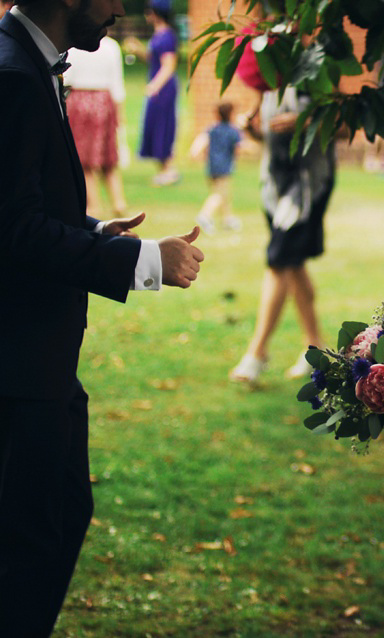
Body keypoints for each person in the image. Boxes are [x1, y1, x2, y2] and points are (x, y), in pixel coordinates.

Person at [0, 1, 205, 634]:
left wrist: (96, 234)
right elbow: (12, 230)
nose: (122, 8)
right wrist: (139, 259)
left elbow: (24, 202)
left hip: (43, 363)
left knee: (62, 511)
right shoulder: (13, 77)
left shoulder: (30, 65)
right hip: (18, 366)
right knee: (28, 551)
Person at [228, 88, 334, 383]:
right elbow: (269, 133)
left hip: (308, 181)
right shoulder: (269, 75)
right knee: (293, 262)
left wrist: (306, 122)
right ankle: (316, 347)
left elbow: (346, 125)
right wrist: (254, 129)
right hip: (274, 182)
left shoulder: (320, 67)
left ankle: (257, 352)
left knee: (279, 259)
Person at [62, 33, 127, 218]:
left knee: (84, 159)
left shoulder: (73, 48)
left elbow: (67, 78)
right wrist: (119, 113)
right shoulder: (112, 46)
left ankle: (94, 205)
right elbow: (117, 83)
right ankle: (118, 201)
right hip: (105, 101)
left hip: (80, 101)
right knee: (109, 156)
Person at [127, 0, 179, 186]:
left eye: (149, 11)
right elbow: (153, 59)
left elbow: (169, 65)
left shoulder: (166, 36)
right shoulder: (159, 34)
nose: (147, 15)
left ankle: (169, 170)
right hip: (158, 87)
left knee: (163, 126)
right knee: (155, 125)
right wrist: (139, 50)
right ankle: (163, 170)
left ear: (156, 13)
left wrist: (154, 86)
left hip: (163, 89)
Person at [190, 100, 246, 233]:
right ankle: (205, 215)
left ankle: (228, 220)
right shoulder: (233, 131)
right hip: (224, 167)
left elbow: (201, 142)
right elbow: (240, 148)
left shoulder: (212, 129)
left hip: (211, 167)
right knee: (219, 195)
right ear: (231, 114)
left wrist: (195, 153)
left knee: (224, 194)